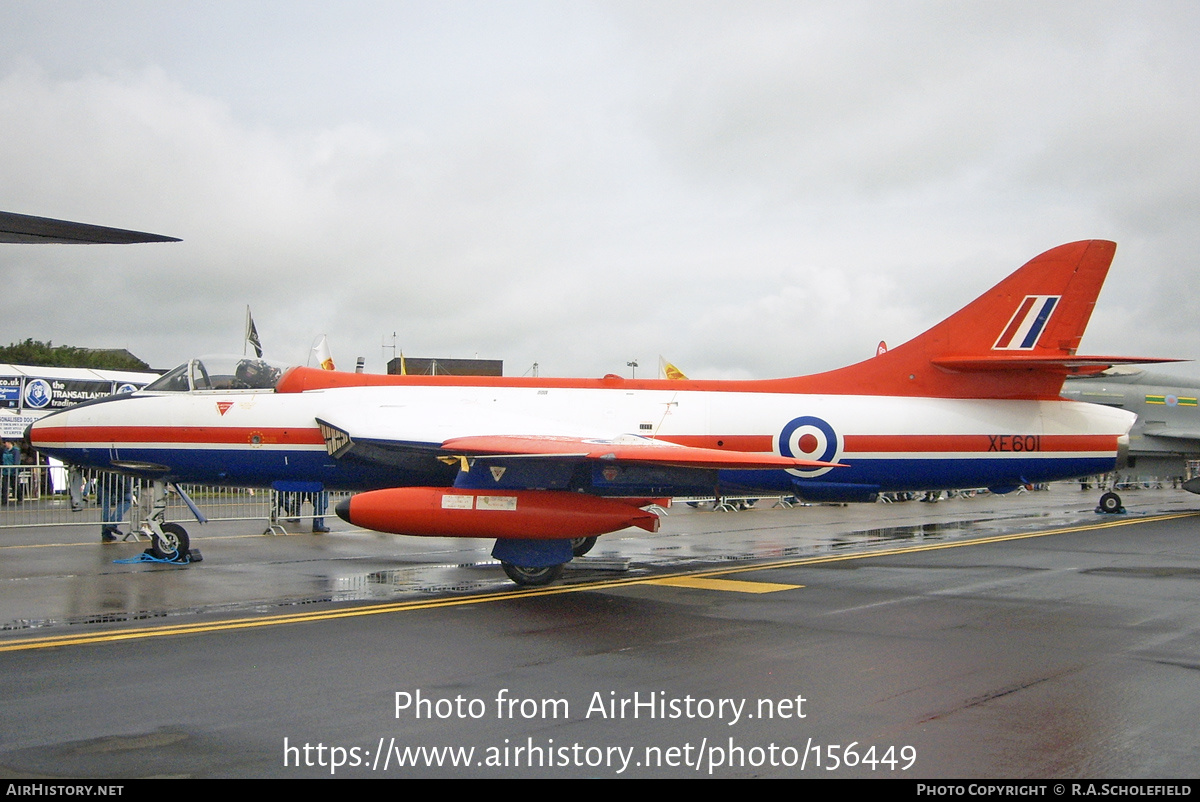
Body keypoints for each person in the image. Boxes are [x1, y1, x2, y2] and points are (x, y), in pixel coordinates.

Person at [97, 472, 132, 543]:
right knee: (127, 500)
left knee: (105, 506)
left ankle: (106, 533)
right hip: (119, 477)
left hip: (104, 478)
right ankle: (112, 523)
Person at [1, 439, 21, 506]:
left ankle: (19, 498)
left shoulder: (15, 450)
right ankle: (4, 501)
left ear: (10, 443)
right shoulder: (4, 451)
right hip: (5, 471)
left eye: (6, 443)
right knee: (4, 486)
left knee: (15, 485)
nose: (5, 444)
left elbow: (16, 460)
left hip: (13, 471)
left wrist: (15, 469)